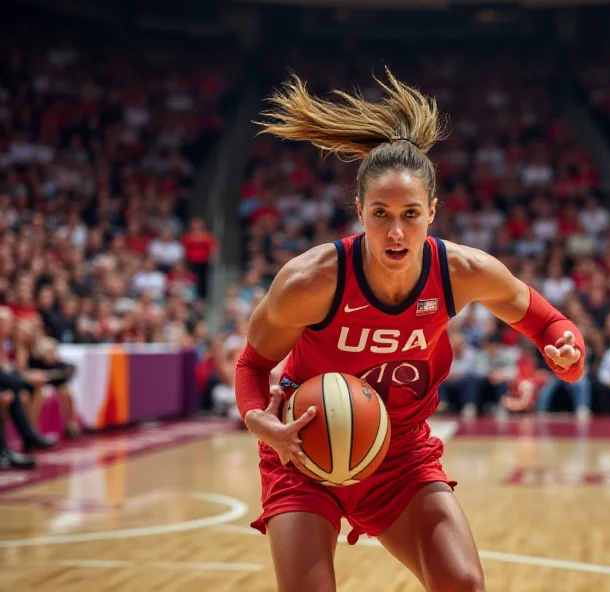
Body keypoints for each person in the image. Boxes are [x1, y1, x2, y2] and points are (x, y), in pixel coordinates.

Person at [234, 69, 585, 592]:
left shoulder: (463, 272)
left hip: (399, 454)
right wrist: (258, 420)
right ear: (359, 211)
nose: (395, 231)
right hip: (302, 450)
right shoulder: (311, 281)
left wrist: (567, 354)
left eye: (410, 214)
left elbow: (553, 327)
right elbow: (252, 366)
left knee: (463, 584)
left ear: (433, 213)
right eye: (380, 214)